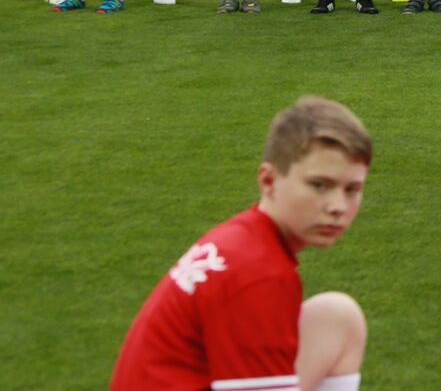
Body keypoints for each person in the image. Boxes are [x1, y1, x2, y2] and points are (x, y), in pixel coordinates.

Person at [109, 96, 371, 390]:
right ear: (269, 181)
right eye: (319, 185)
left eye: (352, 189)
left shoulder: (244, 239)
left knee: (336, 318)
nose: (338, 206)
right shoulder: (259, 275)